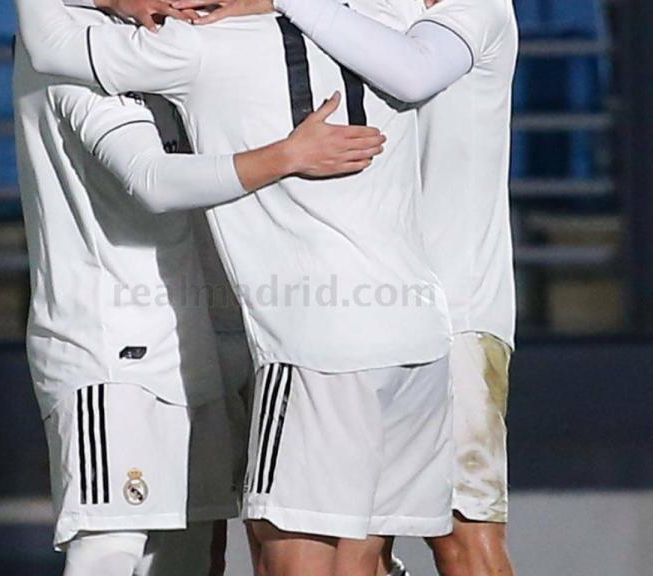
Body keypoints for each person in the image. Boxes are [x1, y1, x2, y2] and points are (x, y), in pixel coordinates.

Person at [13, 2, 459, 575]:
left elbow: (52, 40)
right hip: (122, 343)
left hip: (281, 341)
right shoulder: (379, 28)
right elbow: (149, 176)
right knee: (127, 546)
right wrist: (285, 155)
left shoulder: (190, 48)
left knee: (241, 557)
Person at [173, 0, 520, 574]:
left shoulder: (475, 7)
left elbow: (412, 71)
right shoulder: (347, 8)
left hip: (456, 306)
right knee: (331, 539)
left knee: (463, 534)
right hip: (352, 311)